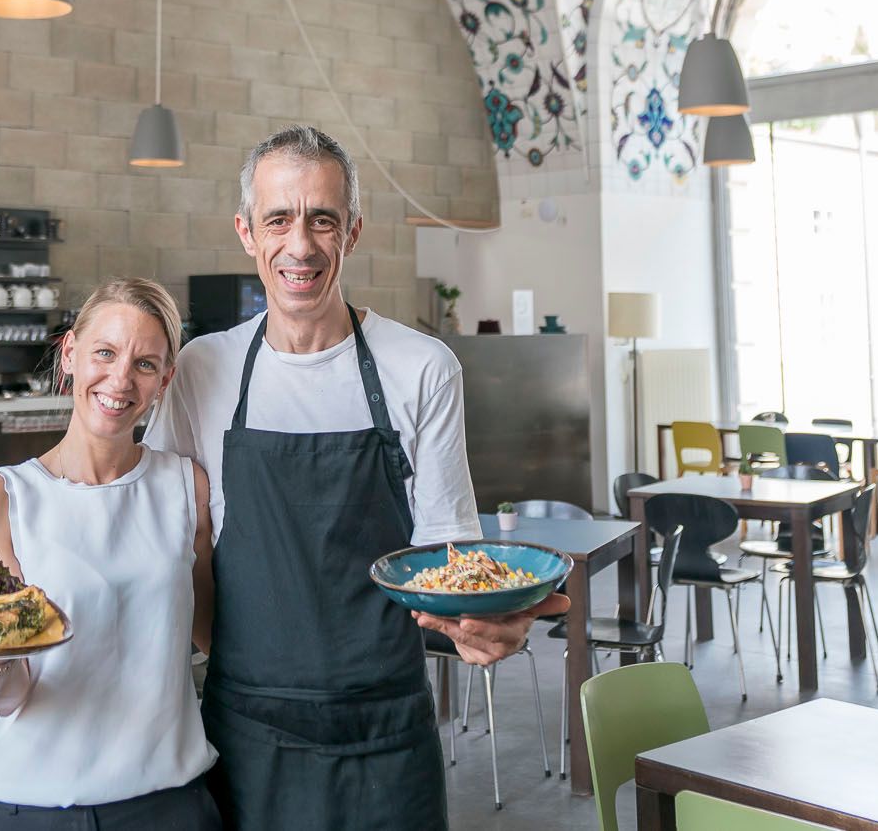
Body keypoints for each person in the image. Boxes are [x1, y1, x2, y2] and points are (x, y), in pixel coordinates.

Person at [146, 125, 566, 830]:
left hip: (386, 729)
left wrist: (484, 622)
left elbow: (447, 554)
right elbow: (162, 534)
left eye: (323, 219)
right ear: (247, 231)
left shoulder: (422, 367)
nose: (301, 244)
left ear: (353, 230)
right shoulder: (202, 369)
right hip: (245, 728)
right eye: (278, 218)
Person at [0, 277, 220, 829]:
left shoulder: (187, 487)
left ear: (165, 379)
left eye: (146, 364)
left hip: (170, 801)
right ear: (70, 353)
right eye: (105, 352)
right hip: (38, 804)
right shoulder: (1, 502)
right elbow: (1, 695)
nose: (120, 379)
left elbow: (214, 636)